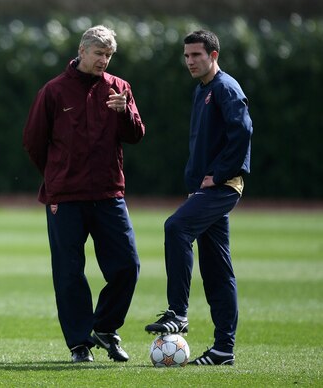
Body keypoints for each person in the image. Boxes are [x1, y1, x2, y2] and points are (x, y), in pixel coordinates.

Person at [23, 25, 145, 363]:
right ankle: (79, 344)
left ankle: (104, 327)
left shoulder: (121, 89)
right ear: (82, 50)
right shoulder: (54, 92)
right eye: (98, 54)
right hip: (66, 197)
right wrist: (56, 176)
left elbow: (136, 135)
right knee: (69, 271)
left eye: (108, 55)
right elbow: (33, 141)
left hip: (109, 194)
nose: (103, 61)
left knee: (128, 265)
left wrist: (127, 112)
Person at [144, 30, 253, 366]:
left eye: (197, 55)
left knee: (175, 227)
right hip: (204, 189)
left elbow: (243, 131)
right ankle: (224, 349)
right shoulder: (202, 90)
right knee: (218, 270)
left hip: (222, 188)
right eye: (187, 55)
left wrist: (218, 174)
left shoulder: (225, 88)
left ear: (214, 56)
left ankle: (178, 313)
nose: (190, 61)